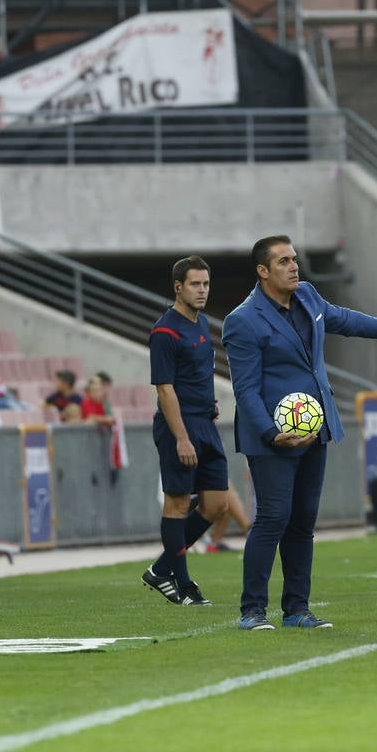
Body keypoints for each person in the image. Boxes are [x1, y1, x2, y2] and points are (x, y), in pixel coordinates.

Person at [223, 235, 377, 631]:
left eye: (294, 259)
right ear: (262, 271)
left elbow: (346, 320)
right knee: (273, 518)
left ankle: (296, 610)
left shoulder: (308, 296)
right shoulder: (243, 320)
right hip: (273, 438)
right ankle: (251, 611)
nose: (293, 266)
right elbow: (245, 389)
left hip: (315, 430)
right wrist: (271, 433)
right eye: (283, 261)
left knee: (303, 520)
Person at [141, 255, 231, 607]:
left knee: (216, 504)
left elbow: (196, 375)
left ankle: (162, 569)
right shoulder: (164, 332)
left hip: (205, 422)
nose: (202, 290)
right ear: (178, 287)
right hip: (179, 427)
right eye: (195, 284)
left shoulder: (202, 322)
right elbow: (165, 390)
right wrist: (181, 437)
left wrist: (208, 402)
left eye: (206, 284)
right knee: (177, 504)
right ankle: (182, 581)